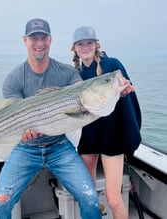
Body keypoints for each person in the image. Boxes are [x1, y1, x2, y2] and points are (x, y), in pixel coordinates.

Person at [0, 19, 102, 219]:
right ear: (25, 40)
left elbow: (85, 93)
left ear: (50, 41)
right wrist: (25, 132)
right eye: (34, 38)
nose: (39, 43)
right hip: (25, 148)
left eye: (43, 38)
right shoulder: (14, 78)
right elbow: (13, 118)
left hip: (60, 146)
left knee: (90, 198)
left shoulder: (68, 73)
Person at [71, 26, 142, 219]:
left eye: (89, 42)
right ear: (74, 48)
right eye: (81, 44)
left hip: (112, 137)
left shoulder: (112, 64)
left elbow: (129, 89)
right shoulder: (74, 74)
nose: (85, 47)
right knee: (88, 196)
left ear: (96, 44)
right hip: (88, 138)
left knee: (114, 199)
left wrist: (127, 90)